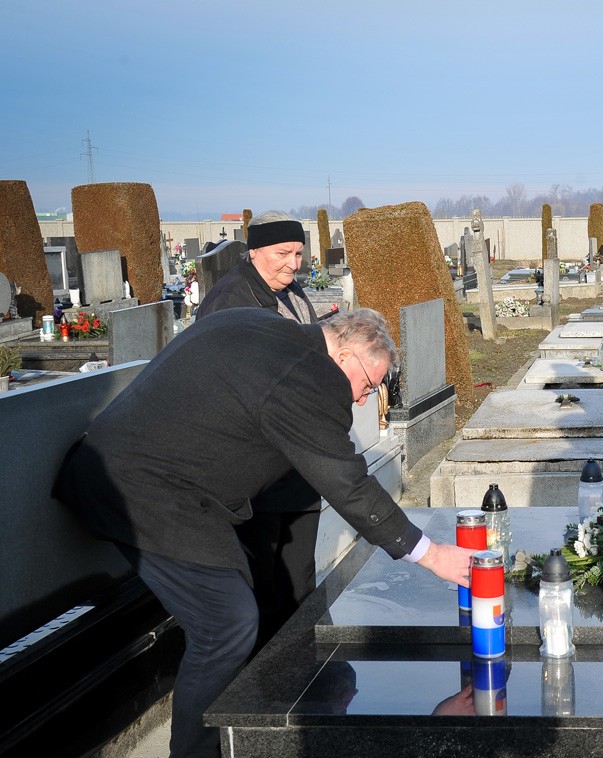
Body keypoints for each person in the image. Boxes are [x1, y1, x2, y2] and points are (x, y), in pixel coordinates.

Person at [54, 307, 474, 758]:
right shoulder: (308, 377)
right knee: (225, 623)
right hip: (142, 491)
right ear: (345, 354)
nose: (362, 399)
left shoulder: (262, 326)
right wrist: (430, 554)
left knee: (234, 609)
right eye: (369, 385)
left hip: (156, 483)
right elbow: (347, 483)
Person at [195, 211, 323, 651]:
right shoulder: (231, 300)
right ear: (254, 252)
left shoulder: (287, 288)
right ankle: (265, 683)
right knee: (265, 587)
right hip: (258, 470)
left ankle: (298, 668)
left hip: (298, 463)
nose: (293, 263)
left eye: (298, 253)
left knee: (300, 581)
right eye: (282, 253)